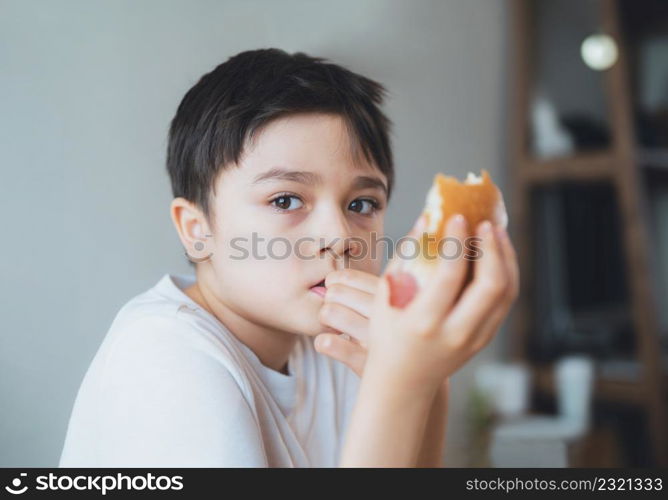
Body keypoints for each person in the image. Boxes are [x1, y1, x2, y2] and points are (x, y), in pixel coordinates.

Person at [58, 48, 518, 467]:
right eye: (285, 201)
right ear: (198, 230)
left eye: (361, 205)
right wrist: (401, 383)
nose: (339, 237)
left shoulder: (334, 346)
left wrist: (427, 380)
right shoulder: (162, 361)